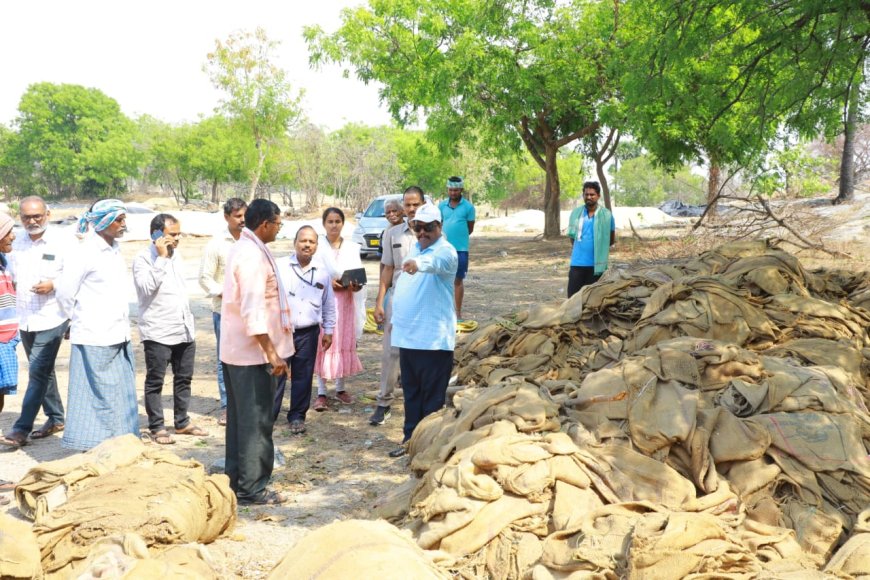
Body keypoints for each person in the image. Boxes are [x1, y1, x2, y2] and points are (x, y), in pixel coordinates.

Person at [220, 199, 294, 505]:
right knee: (256, 422)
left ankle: (237, 480)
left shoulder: (246, 247)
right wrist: (272, 353)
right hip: (253, 356)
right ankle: (253, 487)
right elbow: (253, 310)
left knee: (242, 421)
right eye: (278, 223)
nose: (279, 229)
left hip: (241, 352)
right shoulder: (250, 255)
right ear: (265, 224)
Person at [56, 199, 139, 451]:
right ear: (103, 221)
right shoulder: (84, 251)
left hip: (118, 333)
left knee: (118, 394)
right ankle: (92, 446)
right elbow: (64, 293)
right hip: (94, 334)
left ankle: (120, 444)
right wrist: (74, 319)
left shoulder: (113, 248)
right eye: (119, 220)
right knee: (96, 395)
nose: (123, 224)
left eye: (124, 219)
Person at [388, 203, 458, 458]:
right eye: (418, 228)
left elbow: (436, 263)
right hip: (409, 339)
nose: (422, 233)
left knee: (431, 402)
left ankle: (428, 448)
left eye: (428, 228)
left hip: (433, 342)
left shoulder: (446, 252)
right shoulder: (415, 248)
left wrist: (418, 264)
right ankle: (410, 441)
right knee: (412, 396)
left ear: (439, 226)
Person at [0, 197, 69, 449]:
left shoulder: (63, 241)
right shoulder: (13, 242)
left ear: (47, 214)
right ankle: (56, 417)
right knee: (44, 370)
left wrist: (54, 285)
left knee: (38, 372)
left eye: (37, 216)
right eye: (27, 217)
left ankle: (21, 429)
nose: (33, 221)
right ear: (20, 217)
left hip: (52, 316)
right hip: (24, 318)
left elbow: (75, 276)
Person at [133, 214, 205, 445]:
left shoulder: (178, 256)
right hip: (158, 330)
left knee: (184, 378)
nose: (177, 238)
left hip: (183, 327)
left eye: (178, 234)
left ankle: (182, 422)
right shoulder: (143, 258)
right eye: (172, 234)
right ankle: (157, 427)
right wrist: (161, 259)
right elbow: (145, 288)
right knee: (156, 380)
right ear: (156, 235)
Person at [272, 226, 336, 434]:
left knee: (303, 375)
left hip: (308, 332)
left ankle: (297, 416)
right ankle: (269, 415)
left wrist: (328, 330)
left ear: (317, 246)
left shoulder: (323, 272)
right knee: (276, 373)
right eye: (303, 241)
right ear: (295, 242)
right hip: (282, 331)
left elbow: (328, 304)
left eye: (311, 242)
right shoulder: (279, 266)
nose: (307, 245)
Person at [370, 186, 424, 426]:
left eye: (416, 205)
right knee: (391, 352)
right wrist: (380, 301)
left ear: (423, 204)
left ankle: (423, 403)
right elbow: (387, 269)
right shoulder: (392, 234)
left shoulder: (433, 232)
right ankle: (384, 403)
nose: (411, 209)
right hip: (398, 298)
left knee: (423, 351)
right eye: (408, 205)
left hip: (425, 301)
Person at [199, 198, 247, 427]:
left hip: (249, 311)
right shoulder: (216, 245)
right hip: (224, 312)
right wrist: (224, 294)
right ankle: (227, 406)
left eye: (244, 215)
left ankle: (245, 403)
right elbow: (204, 278)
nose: (242, 220)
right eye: (237, 216)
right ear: (226, 217)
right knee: (224, 359)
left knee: (248, 357)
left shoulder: (251, 241)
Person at [311, 207, 365, 412]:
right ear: (324, 224)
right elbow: (313, 275)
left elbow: (357, 275)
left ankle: (341, 388)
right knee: (324, 341)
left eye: (338, 221)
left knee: (342, 340)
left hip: (346, 301)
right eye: (330, 221)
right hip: (324, 301)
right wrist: (329, 283)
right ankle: (322, 392)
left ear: (343, 224)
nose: (334, 225)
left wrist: (355, 284)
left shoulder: (351, 247)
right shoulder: (318, 247)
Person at [566, 181, 615, 298]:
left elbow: (611, 239)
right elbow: (572, 238)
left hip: (596, 266)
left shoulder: (607, 215)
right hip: (577, 264)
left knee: (592, 300)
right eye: (586, 194)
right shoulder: (576, 213)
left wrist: (599, 248)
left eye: (592, 194)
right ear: (583, 195)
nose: (589, 197)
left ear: (598, 196)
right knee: (572, 299)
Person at [438, 176, 475, 321]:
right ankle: (442, 312)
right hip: (443, 249)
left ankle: (457, 313)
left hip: (461, 250)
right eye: (451, 190)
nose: (453, 193)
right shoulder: (441, 206)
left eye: (456, 190)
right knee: (441, 279)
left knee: (458, 281)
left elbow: (469, 229)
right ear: (448, 189)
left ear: (461, 190)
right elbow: (438, 225)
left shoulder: (469, 207)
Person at [0, 214, 18, 422]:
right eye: (8, 232)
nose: (13, 236)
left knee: (2, 390)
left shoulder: (5, 262)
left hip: (7, 339)